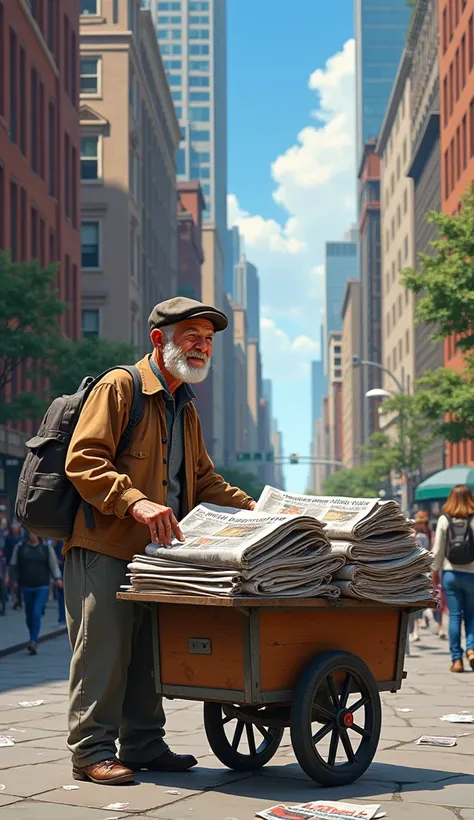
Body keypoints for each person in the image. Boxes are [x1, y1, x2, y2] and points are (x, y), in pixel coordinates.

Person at [63, 297, 257, 786]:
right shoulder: (121, 386)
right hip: (104, 546)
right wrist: (134, 500)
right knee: (102, 650)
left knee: (150, 652)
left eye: (208, 339)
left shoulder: (185, 408)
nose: (202, 347)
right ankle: (90, 751)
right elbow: (83, 460)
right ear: (159, 340)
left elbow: (205, 481)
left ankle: (144, 743)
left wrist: (261, 508)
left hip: (158, 556)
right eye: (192, 335)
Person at [432, 484, 474, 672]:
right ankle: (471, 649)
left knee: (455, 616)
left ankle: (456, 660)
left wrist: (434, 572)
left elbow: (438, 550)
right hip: (472, 574)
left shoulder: (444, 519)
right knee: (472, 617)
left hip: (450, 574)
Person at [9, 531, 63, 654]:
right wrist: (13, 580)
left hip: (42, 586)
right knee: (29, 615)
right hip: (26, 586)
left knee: (36, 612)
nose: (32, 535)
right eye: (30, 533)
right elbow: (13, 565)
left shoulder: (45, 548)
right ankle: (32, 636)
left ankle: (33, 641)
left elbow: (53, 565)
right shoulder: (20, 547)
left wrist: (58, 578)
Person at [4, 522, 22, 609]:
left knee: (19, 582)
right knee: (13, 582)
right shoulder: (9, 538)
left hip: (21, 563)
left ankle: (19, 599)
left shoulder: (22, 538)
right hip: (12, 562)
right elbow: (6, 551)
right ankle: (16, 599)